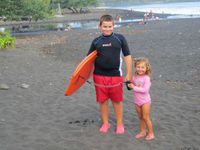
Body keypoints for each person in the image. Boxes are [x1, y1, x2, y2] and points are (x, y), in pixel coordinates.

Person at [87, 14, 132, 134]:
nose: (107, 29)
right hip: (99, 76)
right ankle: (106, 123)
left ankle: (119, 124)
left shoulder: (120, 39)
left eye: (110, 26)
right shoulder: (96, 41)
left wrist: (129, 73)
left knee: (117, 101)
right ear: (100, 26)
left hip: (115, 75)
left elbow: (127, 56)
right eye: (105, 26)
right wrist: (84, 76)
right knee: (102, 101)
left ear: (113, 26)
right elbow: (88, 60)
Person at [128, 57, 155, 140]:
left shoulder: (147, 78)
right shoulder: (135, 76)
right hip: (137, 101)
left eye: (142, 67)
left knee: (146, 117)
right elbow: (132, 84)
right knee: (140, 117)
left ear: (147, 68)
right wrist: (129, 83)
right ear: (135, 67)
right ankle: (143, 132)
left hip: (145, 101)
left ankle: (151, 133)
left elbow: (145, 90)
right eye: (138, 67)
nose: (140, 69)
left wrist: (134, 87)